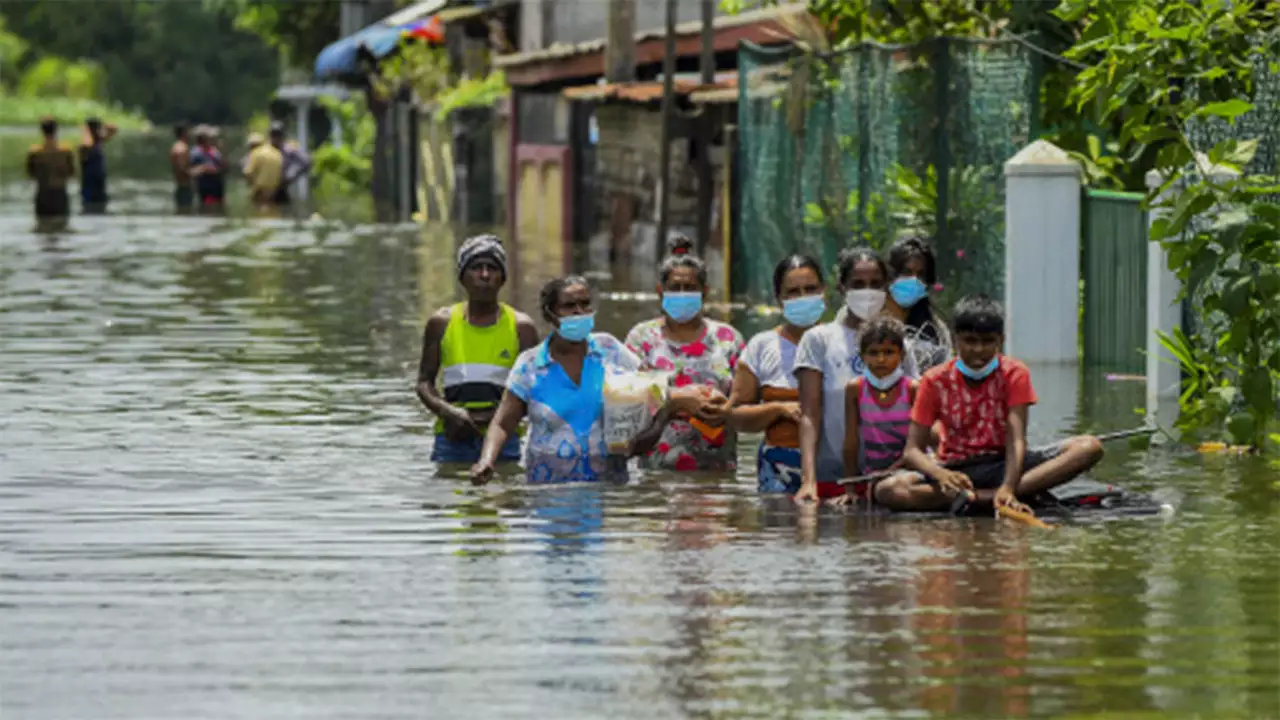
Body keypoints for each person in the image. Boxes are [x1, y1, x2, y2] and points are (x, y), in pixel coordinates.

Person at [470, 275, 710, 484]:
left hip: (608, 492)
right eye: (569, 305)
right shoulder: (530, 365)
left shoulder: (610, 350)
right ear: (550, 314)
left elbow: (653, 392)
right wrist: (486, 461)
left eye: (585, 304)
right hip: (547, 492)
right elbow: (502, 423)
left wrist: (672, 408)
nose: (579, 311)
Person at [885, 294, 1104, 514]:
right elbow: (912, 451)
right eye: (970, 341)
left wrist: (1009, 486)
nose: (979, 350)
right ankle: (988, 496)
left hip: (1004, 464)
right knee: (889, 490)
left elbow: (1016, 438)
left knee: (1088, 447)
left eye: (987, 341)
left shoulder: (1014, 373)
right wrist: (941, 475)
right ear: (955, 339)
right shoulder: (934, 380)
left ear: (1000, 340)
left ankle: (989, 497)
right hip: (957, 469)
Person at [794, 247, 917, 503]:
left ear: (887, 288)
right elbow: (810, 414)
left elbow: (918, 413)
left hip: (892, 479)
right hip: (833, 479)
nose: (867, 292)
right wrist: (809, 480)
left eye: (875, 284)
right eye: (858, 284)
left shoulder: (901, 342)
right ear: (841, 288)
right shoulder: (819, 340)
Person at [624, 236, 744, 471]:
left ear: (704, 292)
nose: (682, 293)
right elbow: (627, 399)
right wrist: (676, 400)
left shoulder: (728, 339)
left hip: (716, 471)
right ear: (660, 291)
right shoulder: (642, 339)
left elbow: (746, 400)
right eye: (674, 288)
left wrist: (724, 407)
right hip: (656, 471)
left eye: (690, 288)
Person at [416, 235, 538, 465]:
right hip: (451, 438)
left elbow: (533, 392)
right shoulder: (441, 322)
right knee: (451, 496)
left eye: (492, 268)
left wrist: (486, 420)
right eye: (476, 268)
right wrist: (448, 413)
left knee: (502, 497)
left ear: (503, 278)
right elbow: (424, 383)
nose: (484, 275)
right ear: (462, 277)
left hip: (503, 439)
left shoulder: (521, 327)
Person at [728, 254, 826, 494]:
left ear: (824, 291)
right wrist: (778, 409)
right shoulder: (762, 346)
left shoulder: (844, 343)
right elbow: (734, 415)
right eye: (793, 292)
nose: (802, 297)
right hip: (778, 472)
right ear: (779, 299)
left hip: (835, 470)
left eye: (810, 289)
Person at [842, 317, 919, 500]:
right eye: (873, 353)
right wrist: (849, 489)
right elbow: (851, 441)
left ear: (901, 355)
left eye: (889, 352)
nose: (881, 359)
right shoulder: (856, 389)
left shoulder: (912, 389)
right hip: (874, 475)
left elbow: (921, 441)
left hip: (912, 471)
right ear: (862, 356)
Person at [885, 235, 953, 372]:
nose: (914, 280)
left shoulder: (936, 330)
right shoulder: (865, 319)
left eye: (921, 275)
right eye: (906, 272)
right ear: (890, 275)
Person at [25, 117, 76, 223]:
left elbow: (30, 173)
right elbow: (72, 172)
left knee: (42, 224)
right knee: (62, 225)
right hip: (59, 193)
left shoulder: (35, 152)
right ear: (56, 130)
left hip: (43, 193)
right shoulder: (66, 151)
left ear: (41, 131)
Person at [78, 117, 117, 214]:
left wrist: (104, 127)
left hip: (99, 185)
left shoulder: (98, 142)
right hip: (89, 187)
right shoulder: (86, 146)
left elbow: (113, 129)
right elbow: (87, 146)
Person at [270, 121, 312, 207]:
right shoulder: (265, 151)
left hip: (282, 187)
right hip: (264, 188)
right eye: (273, 135)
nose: (275, 138)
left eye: (278, 135)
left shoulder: (288, 150)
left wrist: (292, 175)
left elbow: (306, 162)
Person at [242, 132, 284, 211]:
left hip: (260, 190)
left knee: (259, 213)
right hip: (275, 190)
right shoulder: (277, 153)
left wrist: (252, 186)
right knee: (272, 211)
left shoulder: (255, 153)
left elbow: (247, 173)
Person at [188, 125, 226, 213]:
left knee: (219, 210)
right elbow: (191, 171)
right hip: (206, 186)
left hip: (218, 187)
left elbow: (223, 166)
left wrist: (223, 151)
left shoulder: (215, 151)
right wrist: (204, 168)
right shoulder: (196, 153)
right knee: (208, 210)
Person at [170, 124, 193, 213]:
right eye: (188, 132)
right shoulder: (181, 149)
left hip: (180, 185)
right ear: (184, 133)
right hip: (184, 186)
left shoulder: (176, 146)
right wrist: (197, 171)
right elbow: (182, 168)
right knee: (186, 212)